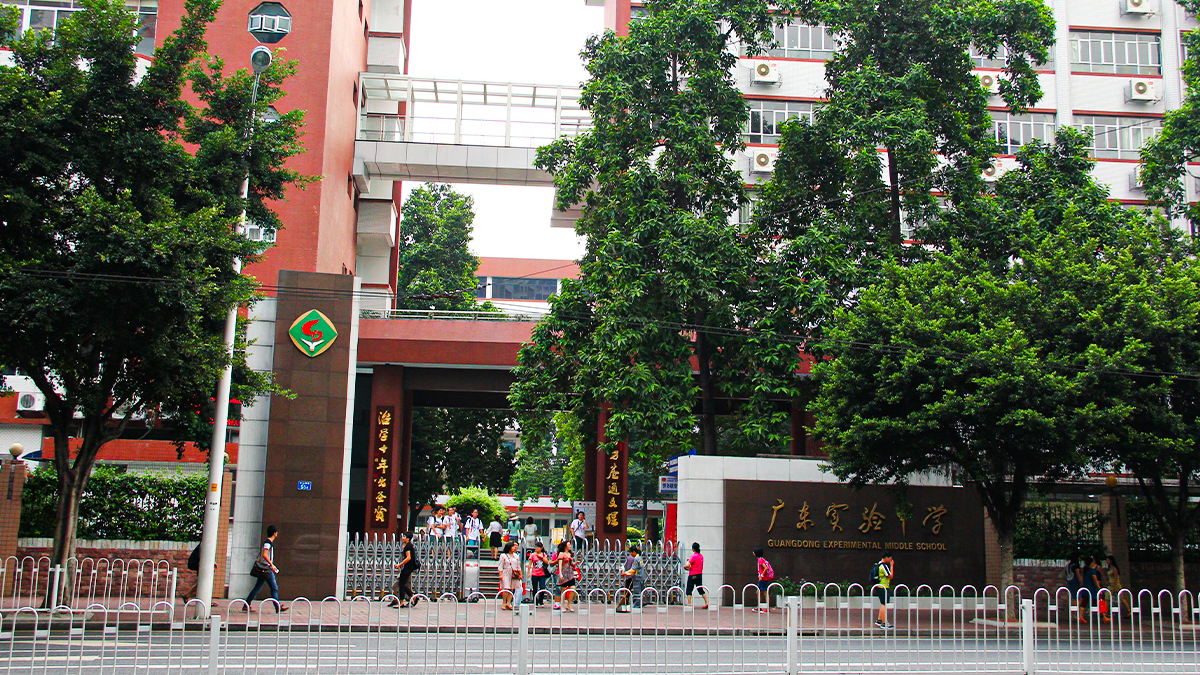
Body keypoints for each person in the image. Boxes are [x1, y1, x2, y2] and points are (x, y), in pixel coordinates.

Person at [244, 525, 287, 612]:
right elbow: (264, 554)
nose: (277, 533)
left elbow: (262, 556)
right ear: (274, 533)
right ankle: (277, 607)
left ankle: (246, 604)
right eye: (276, 532)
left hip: (265, 568)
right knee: (274, 587)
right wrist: (272, 564)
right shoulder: (268, 543)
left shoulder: (268, 543)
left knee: (258, 588)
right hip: (266, 568)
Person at [389, 531, 420, 608]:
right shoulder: (410, 545)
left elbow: (408, 557)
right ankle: (412, 596)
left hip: (407, 568)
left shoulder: (408, 546)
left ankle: (401, 602)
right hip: (409, 568)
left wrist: (399, 564)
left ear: (408, 538)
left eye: (404, 537)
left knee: (401, 584)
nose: (403, 538)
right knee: (402, 584)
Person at [617, 544, 644, 611]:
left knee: (637, 593)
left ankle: (637, 606)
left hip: (637, 578)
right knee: (640, 592)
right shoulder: (640, 558)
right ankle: (639, 605)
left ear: (634, 552)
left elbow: (633, 569)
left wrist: (625, 573)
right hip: (641, 577)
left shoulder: (636, 559)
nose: (631, 554)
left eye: (631, 552)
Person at [873, 554, 895, 629]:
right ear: (886, 557)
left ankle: (879, 620)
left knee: (883, 603)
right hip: (883, 587)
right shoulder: (883, 566)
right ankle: (884, 623)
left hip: (879, 586)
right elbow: (890, 576)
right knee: (884, 604)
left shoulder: (878, 565)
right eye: (890, 559)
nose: (890, 561)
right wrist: (892, 566)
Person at [684, 542, 708, 609]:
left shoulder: (693, 556)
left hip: (692, 575)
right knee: (700, 589)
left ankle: (689, 604)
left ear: (693, 549)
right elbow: (696, 562)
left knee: (689, 589)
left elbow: (688, 565)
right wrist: (690, 560)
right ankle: (706, 602)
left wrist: (685, 566)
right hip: (699, 575)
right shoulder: (701, 556)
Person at [1079, 554, 1102, 624]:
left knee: (1084, 603)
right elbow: (1095, 580)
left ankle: (1080, 616)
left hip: (1086, 588)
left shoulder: (1085, 570)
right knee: (1099, 601)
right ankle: (1104, 616)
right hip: (1092, 589)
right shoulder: (1092, 571)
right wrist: (1099, 588)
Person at [498, 542, 521, 610]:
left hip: (514, 573)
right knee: (506, 587)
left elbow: (518, 566)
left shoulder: (516, 556)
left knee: (512, 588)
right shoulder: (503, 555)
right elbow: (500, 566)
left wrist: (520, 574)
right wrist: (500, 574)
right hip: (506, 572)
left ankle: (509, 602)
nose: (514, 548)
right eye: (513, 547)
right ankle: (504, 602)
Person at [555, 540, 576, 612]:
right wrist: (560, 574)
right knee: (563, 589)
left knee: (573, 588)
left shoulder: (570, 554)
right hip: (564, 573)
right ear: (565, 546)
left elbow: (572, 564)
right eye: (569, 545)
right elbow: (560, 565)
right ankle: (563, 605)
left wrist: (575, 564)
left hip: (570, 573)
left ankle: (569, 604)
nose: (570, 546)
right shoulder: (561, 554)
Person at [528, 541, 551, 606]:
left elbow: (547, 562)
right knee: (535, 588)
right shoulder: (532, 555)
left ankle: (541, 601)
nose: (536, 548)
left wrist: (541, 557)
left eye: (538, 547)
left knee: (542, 587)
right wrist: (528, 572)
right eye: (536, 547)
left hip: (542, 574)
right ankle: (535, 601)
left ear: (541, 548)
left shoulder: (544, 554)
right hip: (534, 573)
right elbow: (530, 564)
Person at [754, 547, 774, 612]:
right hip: (764, 579)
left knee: (763, 592)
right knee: (759, 592)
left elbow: (765, 568)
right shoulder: (762, 559)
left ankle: (766, 608)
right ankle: (760, 607)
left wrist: (761, 576)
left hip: (763, 579)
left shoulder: (760, 560)